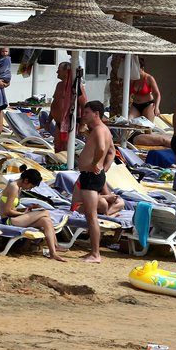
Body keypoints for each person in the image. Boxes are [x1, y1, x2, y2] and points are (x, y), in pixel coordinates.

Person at [71, 101, 114, 263]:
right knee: (84, 210)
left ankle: (96, 254)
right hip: (90, 175)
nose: (84, 114)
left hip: (91, 175)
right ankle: (93, 251)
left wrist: (96, 164)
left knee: (91, 216)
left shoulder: (99, 130)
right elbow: (112, 152)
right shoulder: (102, 130)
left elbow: (103, 149)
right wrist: (103, 167)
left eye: (87, 112)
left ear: (96, 114)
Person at [0, 169, 66, 261]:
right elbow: (7, 211)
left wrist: (26, 210)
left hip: (15, 218)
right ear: (26, 180)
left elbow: (12, 208)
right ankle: (54, 245)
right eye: (31, 186)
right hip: (8, 220)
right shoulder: (13, 187)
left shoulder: (17, 187)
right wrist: (24, 213)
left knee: (46, 221)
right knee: (45, 212)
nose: (29, 189)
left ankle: (53, 251)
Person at [49, 61, 86, 154]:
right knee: (57, 148)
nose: (57, 72)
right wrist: (49, 119)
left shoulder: (76, 87)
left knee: (66, 149)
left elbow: (84, 105)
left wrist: (82, 124)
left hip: (70, 124)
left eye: (59, 70)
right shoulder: (59, 85)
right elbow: (55, 103)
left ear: (66, 71)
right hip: (58, 123)